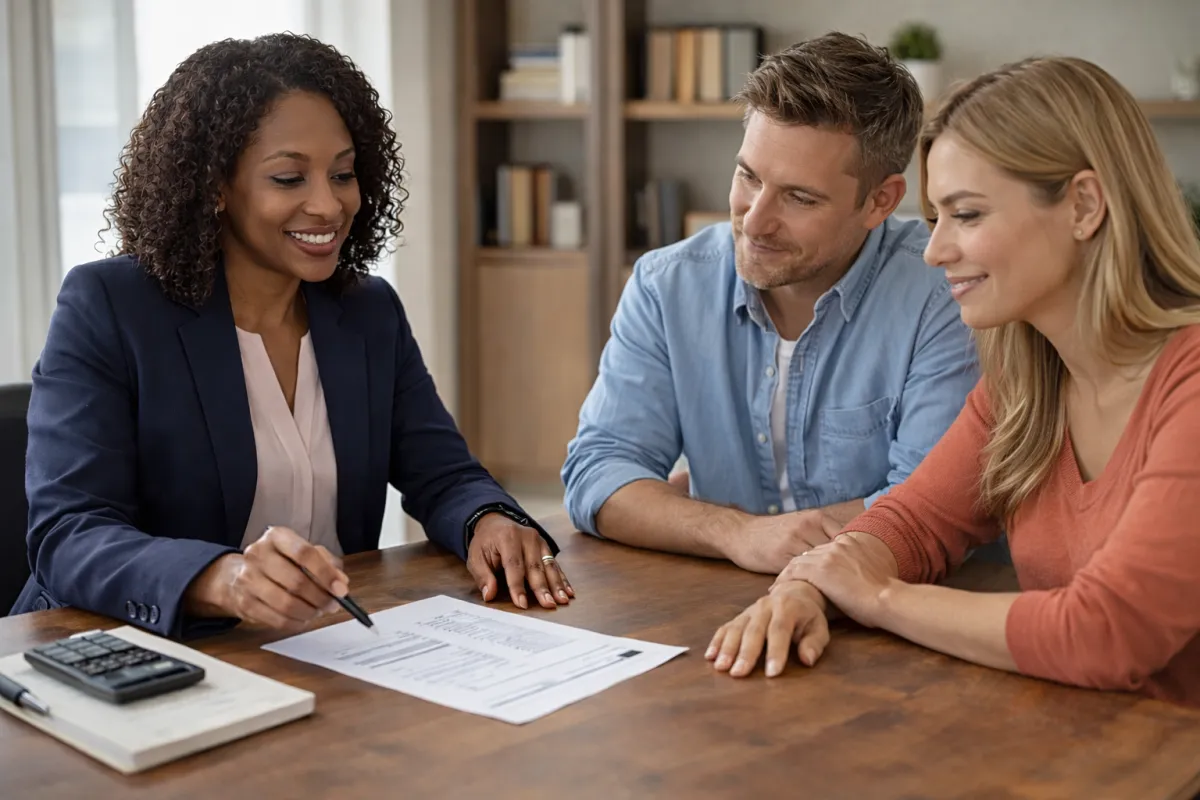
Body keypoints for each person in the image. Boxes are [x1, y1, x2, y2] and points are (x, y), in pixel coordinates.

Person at [13, 33, 573, 639]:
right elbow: (70, 535)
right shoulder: (109, 307)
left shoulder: (368, 313)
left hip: (325, 650)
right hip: (132, 655)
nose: (328, 205)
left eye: (342, 174)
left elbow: (445, 475)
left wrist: (487, 519)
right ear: (216, 187)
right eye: (288, 178)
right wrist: (220, 578)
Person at [707, 55, 1200, 708]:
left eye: (965, 215)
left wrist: (880, 596)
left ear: (1083, 205)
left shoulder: (1187, 384)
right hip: (1089, 745)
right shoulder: (1026, 384)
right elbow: (915, 521)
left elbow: (1108, 633)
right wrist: (808, 587)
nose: (935, 250)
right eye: (935, 217)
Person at [561, 33, 977, 573]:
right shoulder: (666, 286)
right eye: (748, 177)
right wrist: (737, 532)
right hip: (720, 606)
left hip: (897, 612)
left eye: (800, 197)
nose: (753, 221)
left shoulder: (943, 290)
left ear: (880, 201)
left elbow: (929, 509)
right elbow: (598, 472)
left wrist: (686, 516)